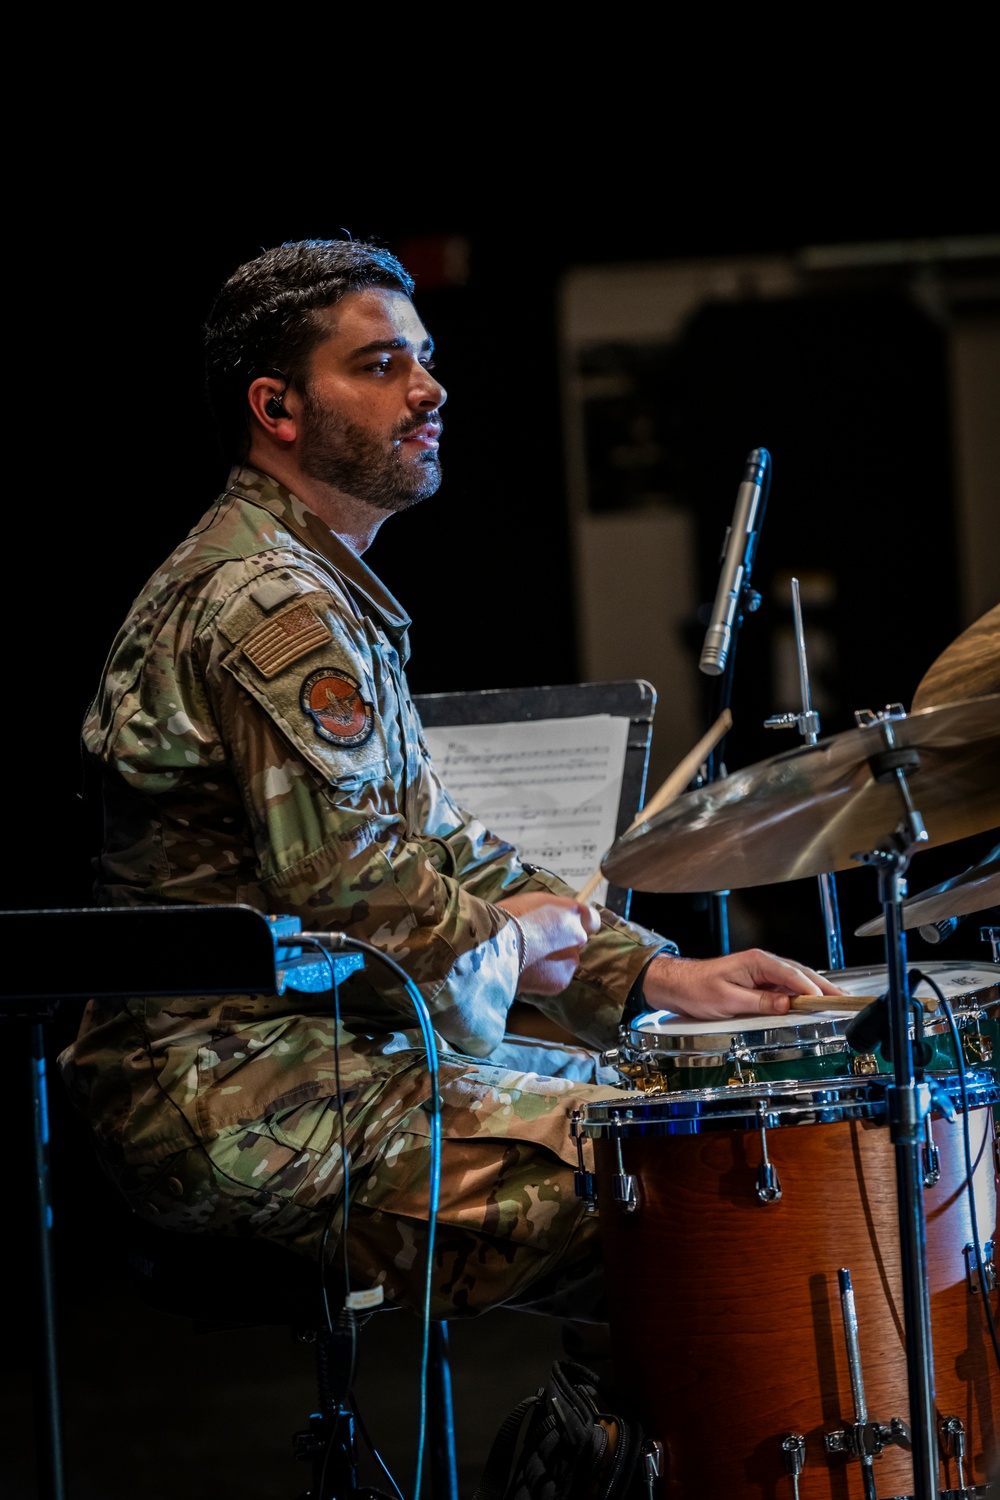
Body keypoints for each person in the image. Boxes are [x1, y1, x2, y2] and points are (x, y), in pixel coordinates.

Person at [58, 237, 843, 1324]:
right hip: (238, 1095)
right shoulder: (269, 604)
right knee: (693, 1178)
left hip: (325, 1049)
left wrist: (658, 979)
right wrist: (514, 940)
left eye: (422, 359)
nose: (428, 389)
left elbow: (439, 848)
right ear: (278, 409)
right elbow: (361, 903)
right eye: (378, 366)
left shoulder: (318, 584)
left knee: (692, 1115)